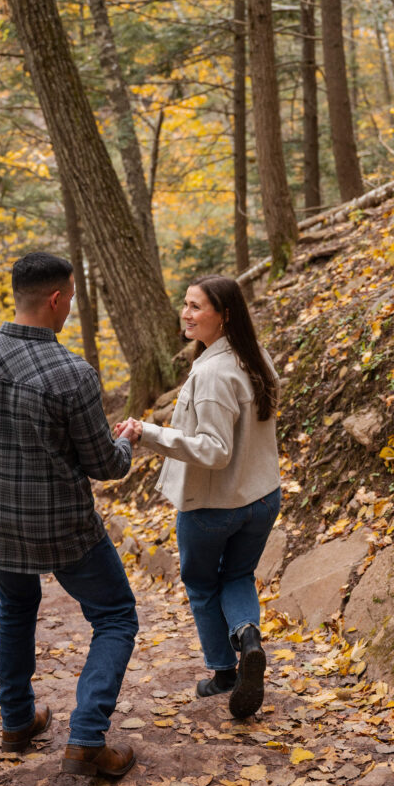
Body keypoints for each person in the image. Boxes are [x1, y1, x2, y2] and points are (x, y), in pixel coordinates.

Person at [0, 252, 138, 779]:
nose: (70, 309)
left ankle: (17, 722)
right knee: (116, 616)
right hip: (66, 530)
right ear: (57, 299)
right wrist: (126, 443)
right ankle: (86, 738)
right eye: (71, 300)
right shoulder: (72, 374)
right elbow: (104, 465)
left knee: (16, 608)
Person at [117, 275, 281, 719]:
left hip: (214, 507)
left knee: (203, 585)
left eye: (195, 307)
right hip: (263, 496)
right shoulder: (255, 356)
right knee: (239, 575)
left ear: (224, 315)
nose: (185, 314)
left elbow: (214, 450)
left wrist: (148, 433)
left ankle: (225, 673)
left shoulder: (212, 373)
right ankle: (248, 637)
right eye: (184, 305)